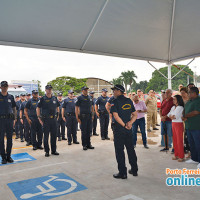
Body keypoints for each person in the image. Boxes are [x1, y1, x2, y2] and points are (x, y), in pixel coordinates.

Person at [110, 84, 138, 179]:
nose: (113, 92)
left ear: (119, 91)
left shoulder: (115, 102)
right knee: (130, 149)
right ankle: (134, 170)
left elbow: (116, 116)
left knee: (119, 151)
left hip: (119, 130)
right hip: (128, 130)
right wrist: (130, 123)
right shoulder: (129, 101)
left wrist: (124, 125)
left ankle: (123, 173)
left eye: (114, 90)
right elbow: (135, 114)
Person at [36, 84, 60, 157]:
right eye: (48, 89)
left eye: (50, 89)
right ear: (45, 90)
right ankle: (47, 151)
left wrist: (58, 115)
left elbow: (58, 107)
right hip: (45, 120)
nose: (49, 90)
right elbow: (38, 108)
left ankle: (54, 150)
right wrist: (39, 118)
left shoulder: (54, 98)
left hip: (53, 120)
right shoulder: (42, 99)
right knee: (46, 136)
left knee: (54, 136)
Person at [183, 87, 200, 168]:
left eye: (190, 92)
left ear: (195, 93)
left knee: (198, 144)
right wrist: (183, 116)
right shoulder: (189, 101)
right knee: (191, 143)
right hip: (189, 126)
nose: (188, 94)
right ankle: (194, 158)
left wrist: (186, 116)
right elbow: (185, 109)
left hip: (197, 126)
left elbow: (196, 112)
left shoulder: (198, 100)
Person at [0, 81, 17, 164]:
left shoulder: (11, 97)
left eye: (6, 86)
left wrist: (14, 118)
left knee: (10, 139)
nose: (5, 87)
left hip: (10, 120)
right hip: (1, 121)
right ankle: (3, 157)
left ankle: (8, 156)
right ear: (0, 87)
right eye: (3, 86)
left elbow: (14, 108)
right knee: (1, 140)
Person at [75, 86, 95, 151]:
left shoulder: (90, 97)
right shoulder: (79, 98)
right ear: (82, 90)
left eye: (87, 90)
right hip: (83, 117)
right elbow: (76, 108)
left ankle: (89, 144)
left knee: (89, 131)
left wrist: (92, 114)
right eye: (85, 90)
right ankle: (84, 145)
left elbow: (92, 106)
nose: (86, 91)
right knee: (84, 131)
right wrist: (77, 117)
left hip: (89, 116)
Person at [167, 95, 184, 162]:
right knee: (175, 140)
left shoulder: (180, 107)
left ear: (178, 100)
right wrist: (171, 116)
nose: (173, 100)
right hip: (173, 124)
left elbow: (175, 117)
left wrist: (171, 116)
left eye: (174, 99)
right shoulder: (173, 107)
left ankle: (181, 156)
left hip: (178, 124)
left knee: (179, 140)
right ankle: (176, 154)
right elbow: (169, 114)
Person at [180, 87, 190, 156]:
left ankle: (189, 150)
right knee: (181, 135)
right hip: (180, 119)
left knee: (187, 135)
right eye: (181, 93)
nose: (182, 94)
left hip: (188, 119)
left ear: (187, 93)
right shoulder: (180, 100)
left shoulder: (190, 100)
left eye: (183, 93)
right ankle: (183, 149)